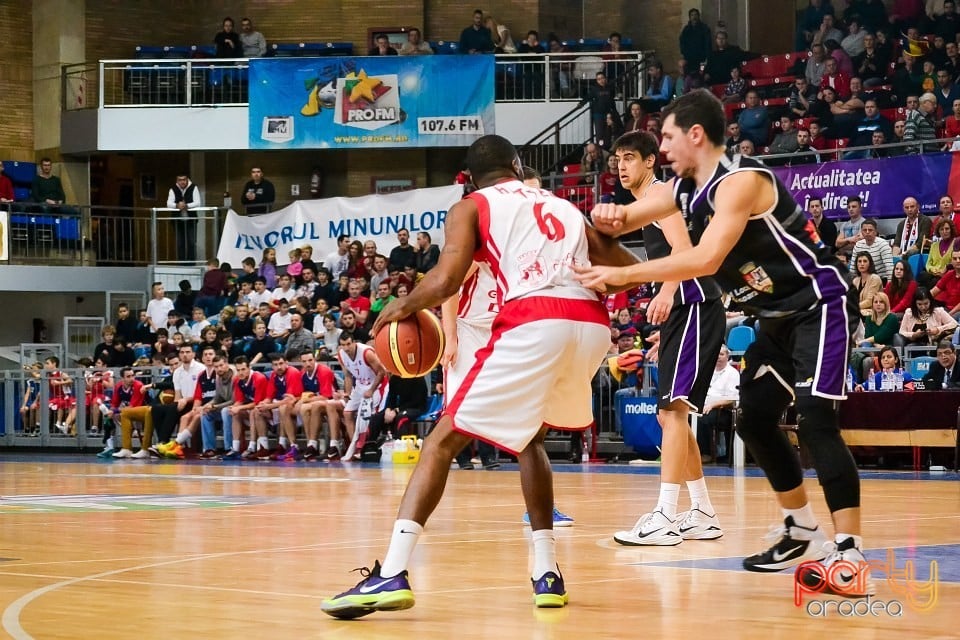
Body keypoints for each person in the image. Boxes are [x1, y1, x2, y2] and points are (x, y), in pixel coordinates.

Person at [321, 135, 637, 618]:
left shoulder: (471, 206)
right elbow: (625, 266)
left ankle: (392, 573)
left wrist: (400, 305)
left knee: (441, 442)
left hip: (535, 321)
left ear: (468, 178)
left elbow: (446, 279)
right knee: (528, 438)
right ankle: (546, 571)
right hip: (591, 326)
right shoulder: (561, 203)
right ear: (518, 163)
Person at [577, 90, 870, 595]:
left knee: (816, 420)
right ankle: (799, 529)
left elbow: (706, 259)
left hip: (819, 305)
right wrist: (602, 216)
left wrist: (624, 277)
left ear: (696, 135)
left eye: (667, 137)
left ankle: (849, 554)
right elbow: (627, 218)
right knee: (752, 417)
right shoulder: (682, 190)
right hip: (773, 317)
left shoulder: (741, 183)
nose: (662, 147)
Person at [604, 131, 725, 547]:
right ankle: (703, 511)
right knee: (668, 414)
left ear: (651, 161)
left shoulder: (661, 195)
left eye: (630, 157)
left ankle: (666, 515)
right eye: (617, 158)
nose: (621, 165)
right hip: (684, 311)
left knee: (672, 413)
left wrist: (669, 290)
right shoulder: (643, 202)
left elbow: (684, 246)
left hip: (694, 302)